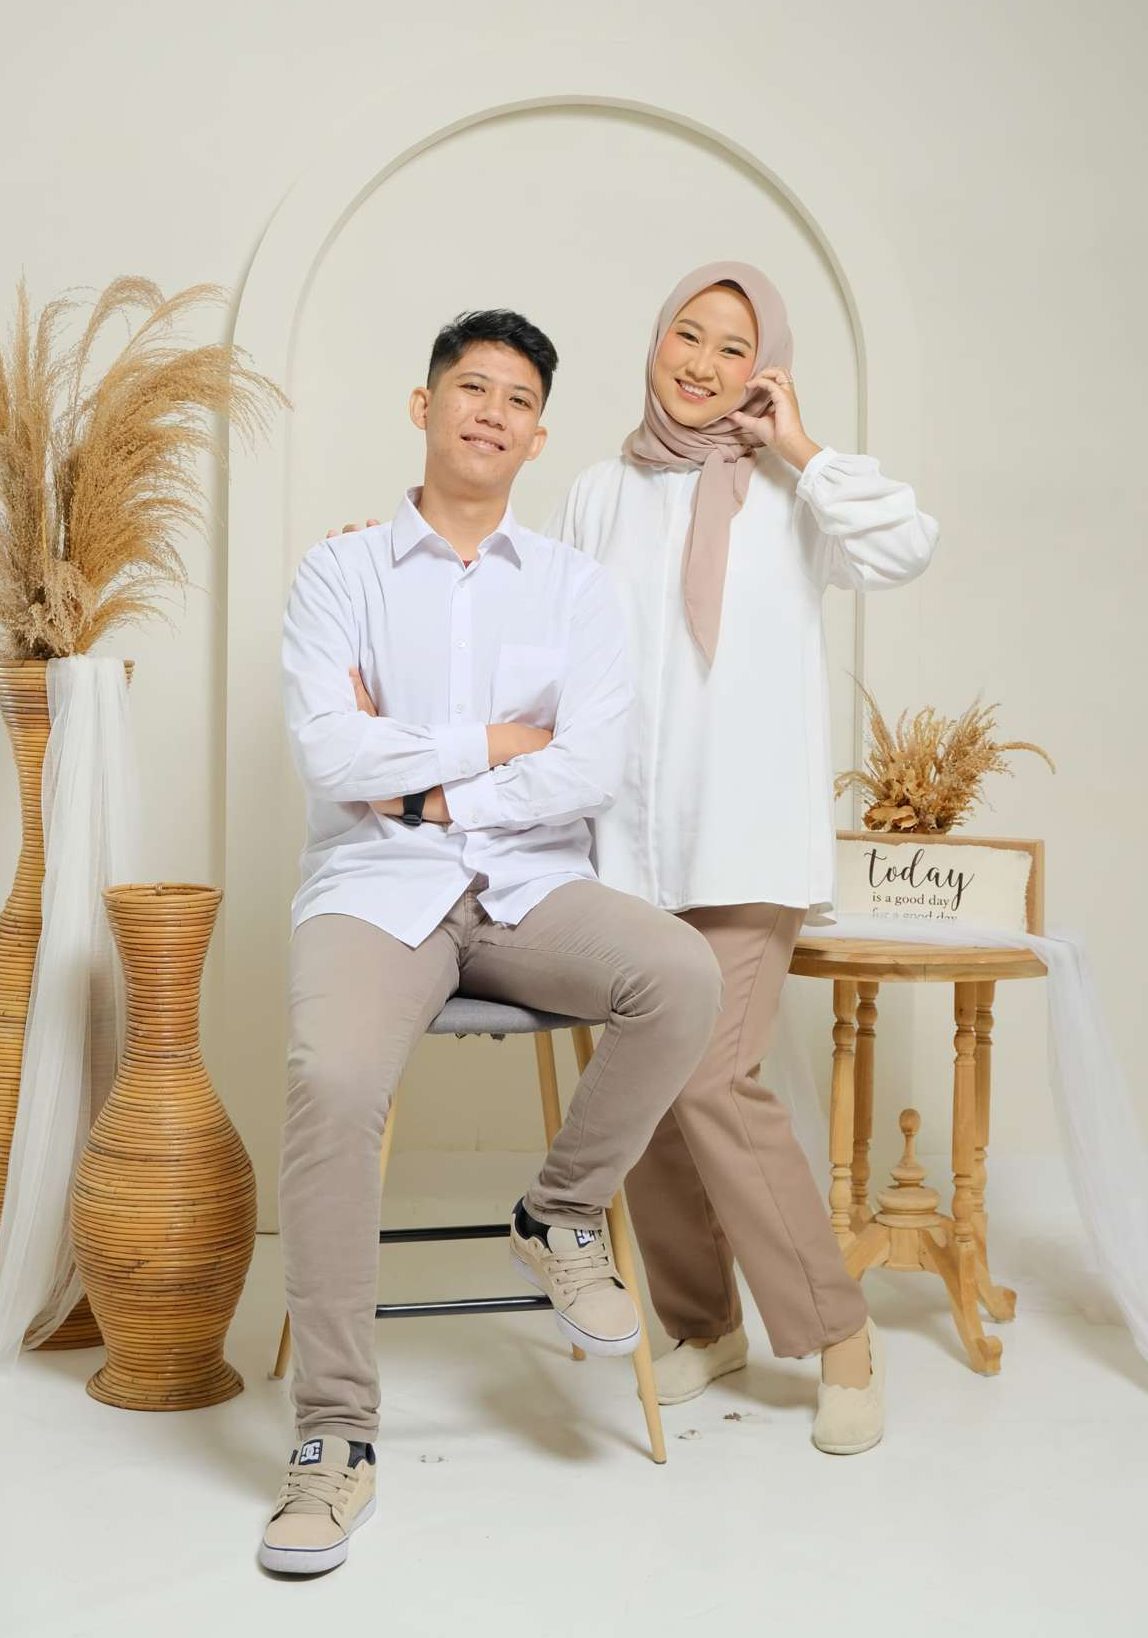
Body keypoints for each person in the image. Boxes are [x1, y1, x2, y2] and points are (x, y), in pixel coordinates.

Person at [261, 310, 723, 1576]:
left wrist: (422, 786)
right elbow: (330, 755)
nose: (492, 414)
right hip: (375, 886)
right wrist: (493, 746)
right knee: (330, 1080)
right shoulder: (340, 575)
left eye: (518, 401)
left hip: (526, 887)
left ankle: (557, 1211)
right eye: (472, 389)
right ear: (424, 407)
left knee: (678, 974)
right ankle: (335, 1438)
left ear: (537, 435)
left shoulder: (574, 590)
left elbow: (590, 769)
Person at [544, 262, 939, 1456]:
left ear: (763, 368)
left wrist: (801, 450)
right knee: (646, 1091)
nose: (703, 364)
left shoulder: (789, 495)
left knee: (712, 1080)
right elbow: (553, 657)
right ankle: (701, 1321)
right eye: (688, 334)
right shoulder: (598, 491)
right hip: (623, 847)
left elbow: (906, 546)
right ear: (654, 340)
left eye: (732, 346)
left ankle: (838, 1336)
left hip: (745, 840)